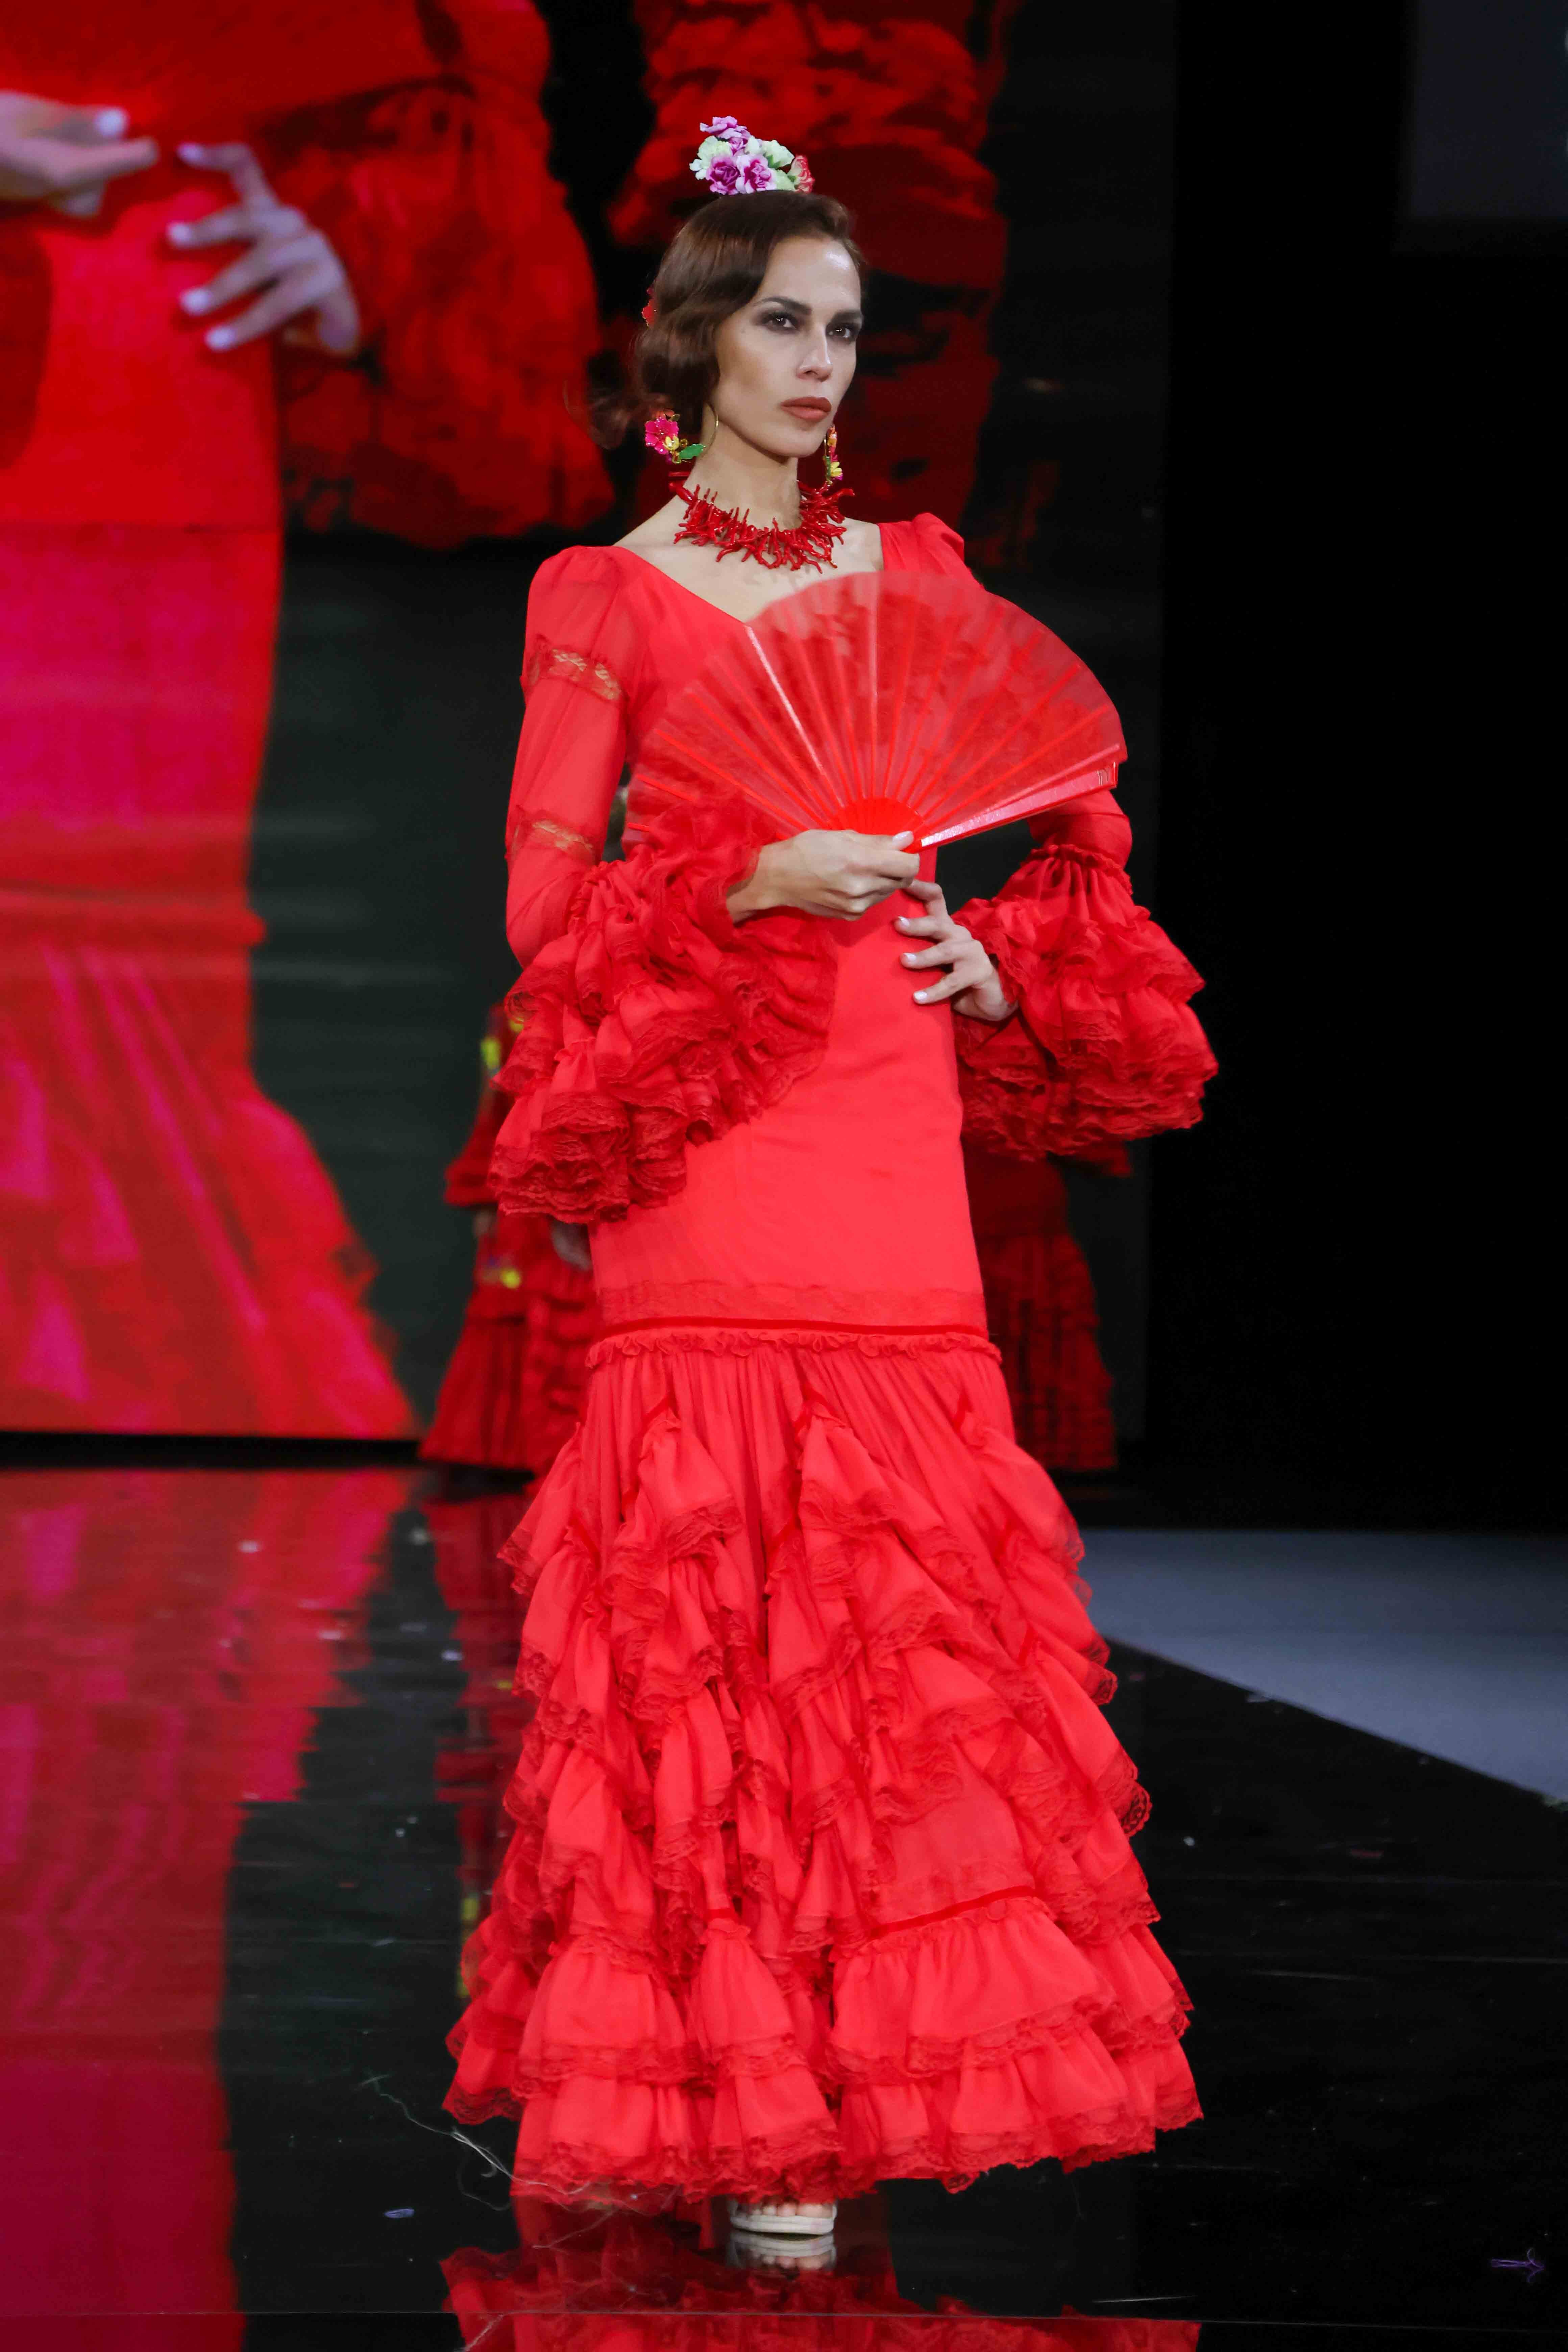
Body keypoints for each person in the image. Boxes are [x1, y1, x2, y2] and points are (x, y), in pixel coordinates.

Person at [445, 122, 1215, 2233]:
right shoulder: (608, 593)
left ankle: (852, 2093)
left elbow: (1068, 821)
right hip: (714, 1128)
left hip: (886, 1112)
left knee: (893, 1620)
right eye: (783, 322)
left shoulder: (922, 577)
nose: (820, 363)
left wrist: (996, 963)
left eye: (847, 329)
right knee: (712, 1614)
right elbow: (539, 908)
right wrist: (749, 878)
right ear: (695, 345)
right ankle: (726, 2095)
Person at [0, 2, 603, 1434]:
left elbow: (446, 78)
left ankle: (127, 1432)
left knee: (119, 938)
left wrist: (367, 247)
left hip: (163, 347)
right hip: (111, 339)